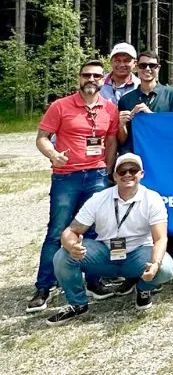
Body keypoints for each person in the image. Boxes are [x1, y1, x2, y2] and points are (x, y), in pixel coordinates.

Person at [27, 60, 119, 313]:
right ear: (79, 78)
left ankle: (93, 281)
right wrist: (53, 155)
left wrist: (108, 169)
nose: (91, 79)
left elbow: (110, 140)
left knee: (93, 231)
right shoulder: (60, 106)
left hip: (97, 176)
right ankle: (44, 286)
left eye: (97, 76)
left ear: (103, 80)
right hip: (66, 176)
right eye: (86, 75)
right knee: (58, 229)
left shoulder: (109, 109)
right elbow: (42, 138)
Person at [45, 153, 173, 325]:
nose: (128, 174)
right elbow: (71, 230)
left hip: (137, 255)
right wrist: (71, 245)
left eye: (133, 170)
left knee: (165, 267)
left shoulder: (153, 199)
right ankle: (77, 304)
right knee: (62, 256)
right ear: (114, 176)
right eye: (122, 171)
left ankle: (144, 289)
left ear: (141, 174)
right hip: (105, 254)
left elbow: (160, 239)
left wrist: (155, 263)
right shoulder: (99, 198)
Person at [116, 50, 173, 271]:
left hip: (169, 163)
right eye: (142, 66)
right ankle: (161, 257)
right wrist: (121, 124)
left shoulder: (171, 95)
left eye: (152, 65)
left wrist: (150, 117)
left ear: (159, 68)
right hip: (141, 164)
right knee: (150, 210)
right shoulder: (127, 99)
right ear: (136, 68)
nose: (147, 69)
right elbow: (122, 139)